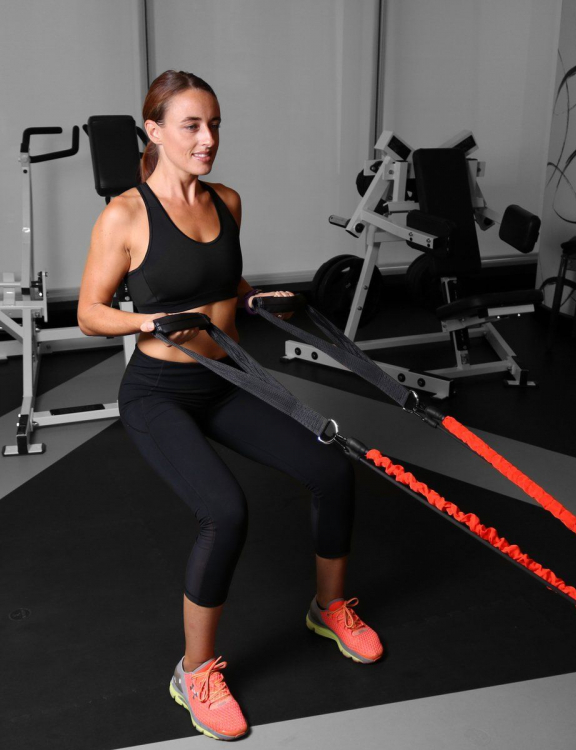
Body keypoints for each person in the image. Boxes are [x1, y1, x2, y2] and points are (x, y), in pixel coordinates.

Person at [77, 70, 382, 742]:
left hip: (226, 382)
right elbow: (90, 312)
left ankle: (329, 607)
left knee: (332, 470)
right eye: (191, 125)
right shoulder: (126, 215)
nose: (208, 138)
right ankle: (194, 672)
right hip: (158, 394)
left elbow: (221, 277)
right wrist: (147, 321)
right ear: (154, 131)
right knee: (224, 512)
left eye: (214, 124)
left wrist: (252, 298)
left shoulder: (228, 201)